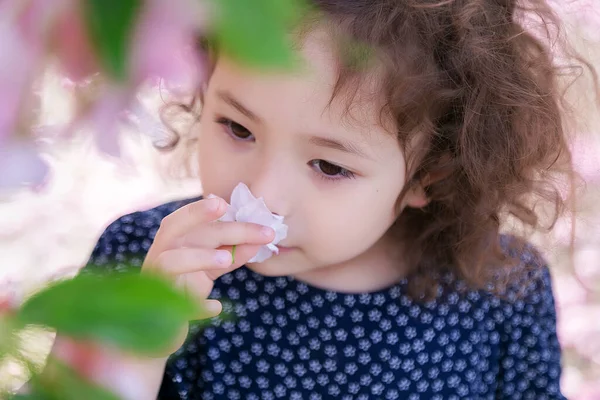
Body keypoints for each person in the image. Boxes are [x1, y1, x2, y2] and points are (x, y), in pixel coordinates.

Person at [45, 0, 598, 398]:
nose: (259, 195)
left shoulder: (501, 290)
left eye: (329, 165)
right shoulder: (147, 261)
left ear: (427, 177)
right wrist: (134, 353)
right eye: (238, 128)